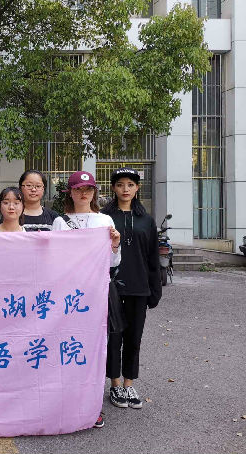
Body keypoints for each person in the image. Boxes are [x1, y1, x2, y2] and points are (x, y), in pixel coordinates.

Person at [51, 170, 121, 428]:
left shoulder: (104, 220)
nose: (83, 193)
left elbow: (113, 262)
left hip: (96, 296)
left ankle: (92, 406)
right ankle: (65, 403)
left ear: (94, 192)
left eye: (88, 189)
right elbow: (54, 260)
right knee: (66, 349)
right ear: (69, 193)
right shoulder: (60, 222)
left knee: (94, 350)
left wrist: (115, 244)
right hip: (68, 297)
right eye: (78, 189)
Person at [101, 168, 161, 410]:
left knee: (134, 338)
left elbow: (153, 257)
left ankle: (129, 383)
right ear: (113, 188)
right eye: (120, 184)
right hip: (111, 287)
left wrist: (154, 289)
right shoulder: (104, 218)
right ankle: (115, 384)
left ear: (137, 188)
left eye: (130, 184)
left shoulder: (147, 220)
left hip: (139, 287)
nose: (125, 189)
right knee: (113, 338)